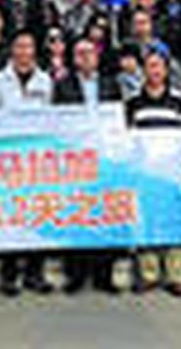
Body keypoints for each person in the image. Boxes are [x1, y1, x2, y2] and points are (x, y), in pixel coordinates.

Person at [53, 36, 124, 296]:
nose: (85, 58)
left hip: (105, 157)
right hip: (76, 159)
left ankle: (104, 276)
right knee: (77, 216)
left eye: (89, 53)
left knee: (105, 216)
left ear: (97, 56)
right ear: (73, 58)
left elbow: (119, 120)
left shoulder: (110, 84)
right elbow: (57, 121)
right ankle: (76, 275)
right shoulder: (62, 86)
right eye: (80, 53)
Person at [0, 32, 55, 296]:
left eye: (29, 46)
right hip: (8, 157)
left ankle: (35, 274)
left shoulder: (45, 81)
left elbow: (50, 116)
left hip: (36, 157)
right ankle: (9, 275)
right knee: (10, 216)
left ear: (35, 51)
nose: (24, 51)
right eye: (19, 46)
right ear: (12, 50)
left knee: (38, 214)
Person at [125, 50, 181, 297]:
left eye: (159, 66)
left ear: (166, 70)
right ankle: (148, 275)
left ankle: (174, 275)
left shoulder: (178, 99)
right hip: (144, 169)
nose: (155, 71)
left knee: (173, 220)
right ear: (143, 71)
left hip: (171, 168)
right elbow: (127, 137)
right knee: (146, 218)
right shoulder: (133, 102)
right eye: (150, 66)